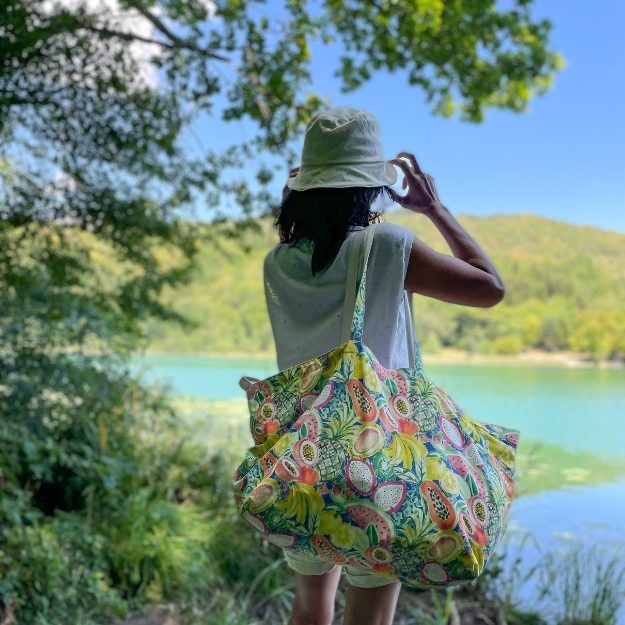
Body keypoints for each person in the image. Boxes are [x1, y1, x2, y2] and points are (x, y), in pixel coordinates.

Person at [257, 107, 506, 625]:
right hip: (375, 460)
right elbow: (489, 288)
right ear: (369, 187)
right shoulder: (386, 245)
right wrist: (435, 210)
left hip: (300, 460)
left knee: (309, 609)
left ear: (305, 185)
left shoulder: (278, 262)